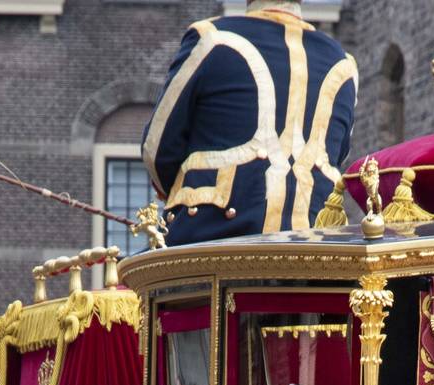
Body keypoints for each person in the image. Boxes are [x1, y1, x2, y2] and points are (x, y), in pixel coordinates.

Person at [142, 0, 358, 245]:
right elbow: (338, 153)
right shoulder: (345, 63)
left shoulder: (211, 38)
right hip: (314, 246)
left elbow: (157, 149)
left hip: (215, 239)